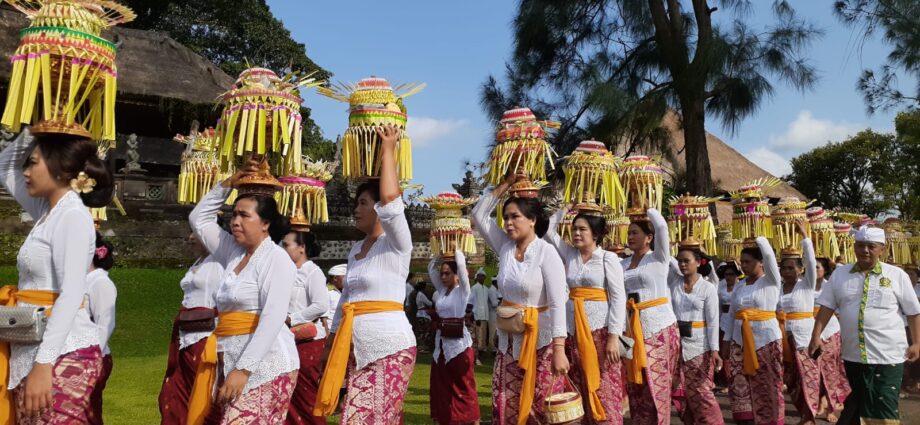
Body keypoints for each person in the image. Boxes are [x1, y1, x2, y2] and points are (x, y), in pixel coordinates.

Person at [0, 129, 113, 423]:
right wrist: (35, 126)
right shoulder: (47, 213)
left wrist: (44, 364)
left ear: (61, 169)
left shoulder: (72, 216)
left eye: (33, 162)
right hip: (34, 350)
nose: (26, 170)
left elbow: (73, 293)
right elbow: (4, 165)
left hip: (61, 356)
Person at [314, 126, 416, 423]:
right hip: (354, 346)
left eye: (362, 203)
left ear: (378, 208)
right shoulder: (356, 248)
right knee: (356, 416)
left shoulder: (398, 244)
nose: (355, 209)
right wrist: (330, 346)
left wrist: (388, 149)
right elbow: (345, 300)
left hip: (389, 346)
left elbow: (391, 203)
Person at [187, 158, 299, 424]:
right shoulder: (233, 252)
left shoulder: (276, 258)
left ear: (265, 224)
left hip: (268, 363)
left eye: (244, 215)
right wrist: (230, 182)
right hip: (231, 359)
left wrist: (244, 369)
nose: (235, 221)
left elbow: (272, 318)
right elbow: (198, 218)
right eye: (234, 214)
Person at [470, 174, 568, 425]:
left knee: (541, 406)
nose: (508, 223)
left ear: (533, 220)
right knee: (506, 403)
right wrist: (505, 184)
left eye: (515, 217)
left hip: (542, 343)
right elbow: (479, 215)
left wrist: (559, 349)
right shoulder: (505, 248)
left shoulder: (547, 253)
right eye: (506, 218)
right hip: (508, 340)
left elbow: (558, 303)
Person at [809, 226, 920, 425]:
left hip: (888, 355)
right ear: (854, 247)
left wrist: (917, 343)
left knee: (883, 407)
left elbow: (913, 312)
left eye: (871, 246)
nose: (865, 250)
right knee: (855, 405)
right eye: (860, 246)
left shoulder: (897, 275)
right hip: (853, 354)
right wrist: (815, 336)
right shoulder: (840, 274)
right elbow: (826, 308)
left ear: (882, 250)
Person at [544, 206, 626, 424]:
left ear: (596, 234)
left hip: (600, 332)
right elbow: (549, 229)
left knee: (605, 387)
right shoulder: (570, 255)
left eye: (582, 229)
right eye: (574, 229)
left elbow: (618, 298)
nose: (576, 233)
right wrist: (566, 208)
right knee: (578, 388)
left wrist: (613, 336)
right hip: (573, 333)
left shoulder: (608, 258)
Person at [158, 232, 225, 423]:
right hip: (184, 336)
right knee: (176, 393)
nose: (190, 237)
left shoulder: (220, 262)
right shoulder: (198, 262)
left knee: (204, 396)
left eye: (195, 232)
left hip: (206, 336)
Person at [620, 208, 678, 425]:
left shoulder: (658, 258)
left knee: (658, 387)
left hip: (659, 328)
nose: (631, 237)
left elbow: (662, 226)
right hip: (632, 331)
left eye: (635, 232)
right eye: (629, 233)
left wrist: (648, 209)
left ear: (649, 238)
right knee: (636, 387)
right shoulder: (622, 264)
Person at [724, 237, 785, 424]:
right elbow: (732, 314)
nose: (743, 266)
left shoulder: (771, 281)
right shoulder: (740, 286)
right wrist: (726, 341)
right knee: (739, 386)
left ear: (761, 263)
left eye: (748, 262)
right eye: (741, 262)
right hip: (739, 342)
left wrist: (758, 236)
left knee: (768, 385)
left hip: (766, 341)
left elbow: (769, 255)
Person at [668, 241, 723, 425]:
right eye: (679, 261)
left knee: (702, 393)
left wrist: (714, 350)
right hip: (676, 345)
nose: (682, 264)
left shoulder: (708, 288)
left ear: (699, 262)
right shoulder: (673, 283)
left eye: (686, 260)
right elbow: (663, 259)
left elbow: (713, 322)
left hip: (700, 346)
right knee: (680, 393)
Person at [281, 231, 329, 425]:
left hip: (307, 343)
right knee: (285, 394)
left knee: (306, 396)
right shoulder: (285, 272)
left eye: (286, 245)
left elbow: (320, 305)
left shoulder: (312, 272)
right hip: (286, 341)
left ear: (302, 248)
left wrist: (291, 319)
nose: (282, 249)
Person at [428, 251, 480, 425]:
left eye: (447, 273)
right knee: (441, 385)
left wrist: (456, 250)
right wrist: (439, 254)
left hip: (459, 346)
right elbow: (430, 269)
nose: (442, 277)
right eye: (442, 273)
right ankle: (446, 418)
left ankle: (473, 420)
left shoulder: (463, 291)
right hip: (441, 344)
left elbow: (463, 269)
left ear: (458, 275)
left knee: (464, 386)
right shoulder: (442, 291)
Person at [777, 225, 820, 425]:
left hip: (805, 336)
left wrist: (805, 238)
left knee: (808, 376)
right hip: (784, 337)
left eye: (791, 267)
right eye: (784, 268)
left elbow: (811, 261)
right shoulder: (776, 287)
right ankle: (803, 412)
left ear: (801, 269)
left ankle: (809, 416)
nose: (787, 271)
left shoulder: (807, 284)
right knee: (791, 379)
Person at [813, 257, 850, 422]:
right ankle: (819, 401)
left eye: (817, 267)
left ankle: (830, 407)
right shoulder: (803, 285)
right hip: (811, 332)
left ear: (825, 270)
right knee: (814, 371)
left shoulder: (832, 286)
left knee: (830, 370)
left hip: (830, 331)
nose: (813, 271)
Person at [86, 234, 117, 425]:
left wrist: (90, 359)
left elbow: (105, 325)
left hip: (92, 357)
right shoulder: (79, 281)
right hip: (73, 355)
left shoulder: (100, 283)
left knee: (88, 412)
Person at [716, 259, 741, 389]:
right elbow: (718, 306)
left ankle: (734, 379)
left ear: (737, 275)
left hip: (736, 320)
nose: (728, 277)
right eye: (726, 274)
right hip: (723, 319)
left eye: (731, 274)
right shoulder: (721, 286)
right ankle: (724, 380)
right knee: (723, 348)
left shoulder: (741, 286)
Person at [470, 268, 493, 362]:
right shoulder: (474, 288)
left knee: (483, 336)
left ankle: (481, 355)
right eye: (481, 276)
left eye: (484, 277)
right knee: (478, 336)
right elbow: (472, 303)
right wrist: (476, 316)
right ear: (478, 277)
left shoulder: (486, 289)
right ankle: (476, 356)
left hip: (485, 316)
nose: (483, 278)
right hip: (478, 317)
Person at [414, 282, 435, 353]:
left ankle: (420, 347)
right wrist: (432, 302)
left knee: (421, 331)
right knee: (425, 331)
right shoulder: (421, 295)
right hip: (423, 315)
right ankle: (423, 347)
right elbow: (429, 303)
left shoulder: (418, 294)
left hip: (419, 314)